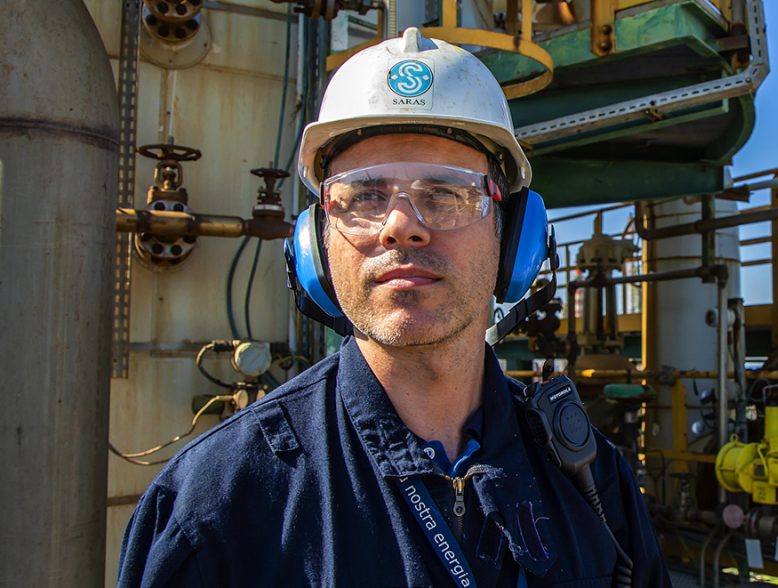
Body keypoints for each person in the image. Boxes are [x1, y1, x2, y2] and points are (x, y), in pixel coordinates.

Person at [117, 29, 670, 587]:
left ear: (514, 238)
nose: (401, 226)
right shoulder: (219, 505)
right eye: (363, 196)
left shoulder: (593, 480)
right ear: (316, 244)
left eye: (446, 193)